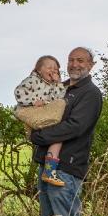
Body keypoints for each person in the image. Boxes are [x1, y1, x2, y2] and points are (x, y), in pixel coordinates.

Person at [28, 47, 102, 216]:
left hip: (67, 168)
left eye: (81, 60)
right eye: (71, 60)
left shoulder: (90, 93)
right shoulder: (61, 88)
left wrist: (39, 136)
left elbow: (75, 127)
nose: (74, 64)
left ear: (91, 65)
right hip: (46, 164)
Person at [15, 55, 69, 186]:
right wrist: (33, 101)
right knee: (57, 134)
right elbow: (18, 92)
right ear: (39, 70)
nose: (53, 70)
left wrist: (57, 83)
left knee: (58, 137)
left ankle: (49, 171)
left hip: (45, 115)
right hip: (32, 111)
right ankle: (48, 171)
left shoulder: (54, 84)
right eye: (49, 67)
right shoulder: (33, 80)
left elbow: (59, 98)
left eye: (56, 69)